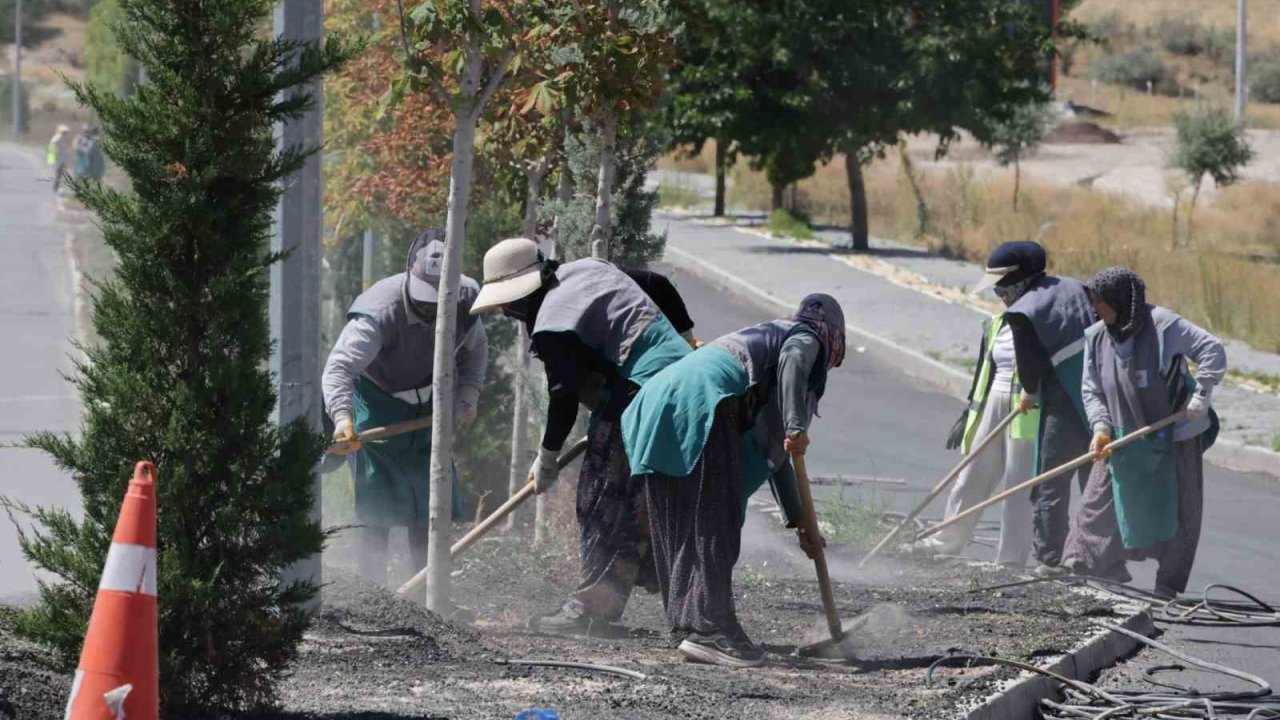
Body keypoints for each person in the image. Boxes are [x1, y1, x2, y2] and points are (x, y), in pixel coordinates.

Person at [470, 238, 698, 636]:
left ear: (523, 293)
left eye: (508, 305)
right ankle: (652, 586)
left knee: (600, 499)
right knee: (639, 500)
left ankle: (591, 611)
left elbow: (563, 396)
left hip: (640, 390)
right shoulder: (589, 269)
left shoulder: (553, 322)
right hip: (677, 381)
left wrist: (546, 459)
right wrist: (687, 338)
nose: (508, 313)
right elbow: (657, 283)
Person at [621, 294, 846, 668]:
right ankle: (709, 632)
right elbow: (795, 361)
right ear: (834, 338)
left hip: (656, 402)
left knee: (685, 524)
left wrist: (801, 522)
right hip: (703, 400)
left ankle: (690, 627)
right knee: (715, 521)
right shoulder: (807, 337)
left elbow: (774, 458)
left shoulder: (765, 340)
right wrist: (796, 424)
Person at [322, 229, 488, 587]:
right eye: (426, 300)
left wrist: (467, 397)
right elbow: (339, 368)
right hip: (377, 402)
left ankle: (427, 593)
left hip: (430, 407)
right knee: (375, 499)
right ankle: (374, 592)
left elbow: (476, 352)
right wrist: (341, 418)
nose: (432, 309)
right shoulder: (379, 312)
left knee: (429, 497)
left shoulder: (467, 301)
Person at [1063, 267, 1224, 599]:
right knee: (1097, 500)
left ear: (1120, 300)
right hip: (1123, 431)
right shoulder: (1095, 336)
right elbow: (1091, 389)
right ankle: (1080, 563)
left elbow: (1212, 349)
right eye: (1092, 302)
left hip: (1176, 430)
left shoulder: (1164, 325)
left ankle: (1167, 583)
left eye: (1100, 302)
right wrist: (1100, 427)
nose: (1095, 309)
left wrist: (1201, 394)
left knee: (1181, 505)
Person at [968, 241, 1095, 577]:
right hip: (1101, 391)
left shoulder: (1022, 312)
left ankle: (1051, 560)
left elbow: (1029, 368)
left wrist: (1030, 393)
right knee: (1094, 480)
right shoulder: (1072, 286)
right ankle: (1094, 562)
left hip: (1066, 396)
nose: (998, 293)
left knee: (1049, 479)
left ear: (1019, 279)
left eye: (1001, 286)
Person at [917, 298, 1038, 568]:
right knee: (970, 478)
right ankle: (945, 544)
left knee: (1017, 491)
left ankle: (1009, 562)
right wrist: (966, 414)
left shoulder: (1038, 321)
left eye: (1005, 286)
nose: (1000, 293)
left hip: (1027, 412)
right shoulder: (995, 323)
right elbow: (984, 372)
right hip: (993, 404)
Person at [46, 125, 72, 194]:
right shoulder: (58, 138)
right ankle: (56, 188)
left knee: (59, 174)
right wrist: (53, 159)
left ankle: (56, 187)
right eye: (64, 132)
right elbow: (53, 149)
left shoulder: (61, 138)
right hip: (58, 160)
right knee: (59, 174)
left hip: (61, 159)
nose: (66, 133)